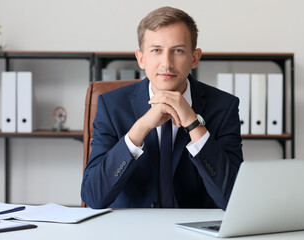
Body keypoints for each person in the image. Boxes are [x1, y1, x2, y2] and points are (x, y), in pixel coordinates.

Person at [81, 6, 243, 210]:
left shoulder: (224, 107)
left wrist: (194, 124)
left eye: (178, 50)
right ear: (141, 58)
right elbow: (93, 196)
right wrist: (139, 129)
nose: (167, 63)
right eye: (156, 50)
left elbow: (235, 200)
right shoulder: (112, 106)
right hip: (132, 230)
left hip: (194, 230)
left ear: (194, 58)